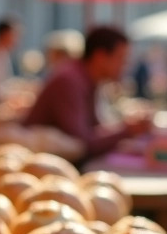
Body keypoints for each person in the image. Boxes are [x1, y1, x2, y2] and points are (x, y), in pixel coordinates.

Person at [24, 25, 152, 160]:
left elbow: (95, 130)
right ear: (100, 57)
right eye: (121, 58)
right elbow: (83, 144)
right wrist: (128, 130)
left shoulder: (88, 79)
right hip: (40, 166)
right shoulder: (69, 81)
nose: (126, 65)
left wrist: (127, 130)